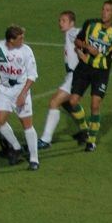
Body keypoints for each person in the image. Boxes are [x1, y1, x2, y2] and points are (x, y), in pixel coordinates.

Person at [0, 25, 40, 171]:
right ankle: (17, 147)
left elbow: (32, 76)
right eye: (20, 38)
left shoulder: (26, 51)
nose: (23, 41)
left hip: (21, 89)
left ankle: (34, 158)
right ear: (11, 40)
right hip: (4, 90)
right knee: (0, 121)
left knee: (26, 124)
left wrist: (23, 93)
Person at [69, 0, 112, 153]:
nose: (104, 13)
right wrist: (86, 46)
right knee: (73, 101)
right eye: (103, 9)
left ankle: (91, 141)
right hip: (84, 68)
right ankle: (84, 128)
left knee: (95, 105)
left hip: (101, 72)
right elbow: (77, 40)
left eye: (108, 10)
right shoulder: (90, 24)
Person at [37, 11, 89, 148]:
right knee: (68, 103)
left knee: (54, 102)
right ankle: (84, 130)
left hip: (75, 76)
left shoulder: (72, 32)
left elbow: (83, 32)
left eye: (64, 20)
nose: (60, 23)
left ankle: (45, 139)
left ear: (72, 23)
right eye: (59, 20)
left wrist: (81, 47)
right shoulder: (69, 35)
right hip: (73, 75)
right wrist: (79, 47)